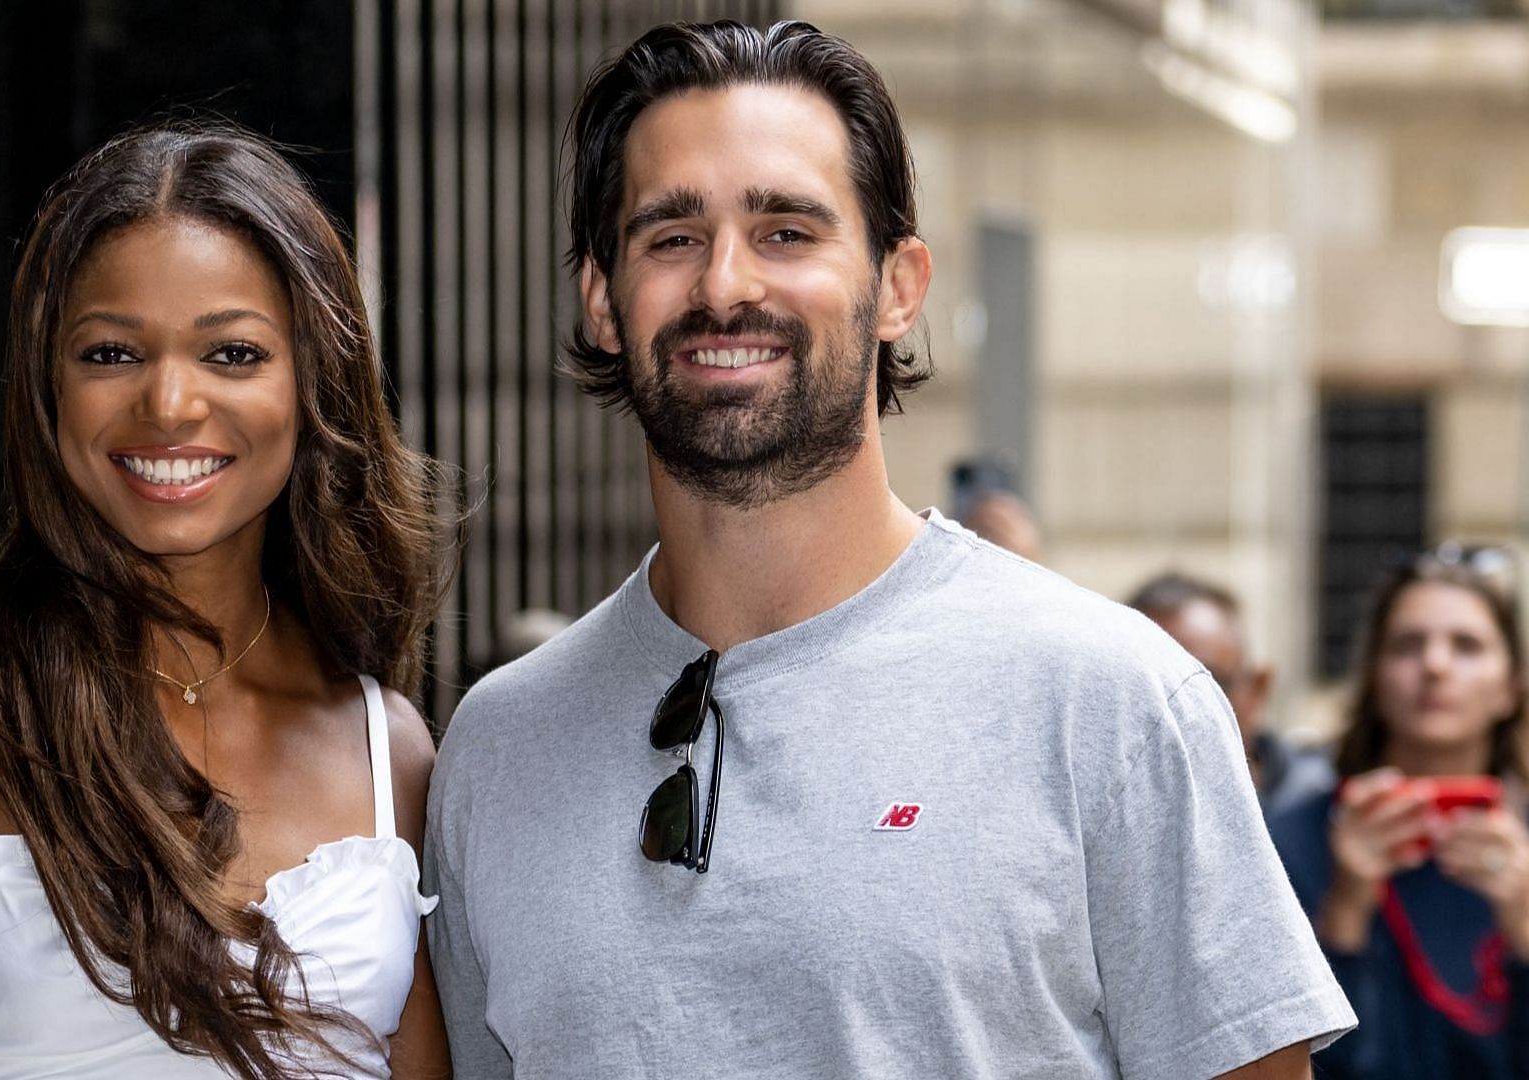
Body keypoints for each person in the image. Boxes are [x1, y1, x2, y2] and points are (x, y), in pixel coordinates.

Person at [424, 19, 1354, 1080]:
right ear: (602, 299)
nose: (725, 284)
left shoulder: (1112, 702)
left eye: (786, 232)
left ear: (899, 286)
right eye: (671, 237)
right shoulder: (497, 750)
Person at [0, 121, 450, 1079]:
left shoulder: (393, 750)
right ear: (47, 385)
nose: (169, 404)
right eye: (111, 354)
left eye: (233, 355)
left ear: (314, 385)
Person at [1269, 550, 1529, 1078]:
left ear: (1511, 687)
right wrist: (1346, 907)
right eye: (1408, 645)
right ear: (1373, 675)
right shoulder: (1292, 837)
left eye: (1467, 646)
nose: (1435, 666)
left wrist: (1523, 920)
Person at [1128, 571, 1333, 816]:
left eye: (1201, 689)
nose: (1174, 714)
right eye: (1148, 692)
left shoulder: (1324, 806)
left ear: (1257, 690)